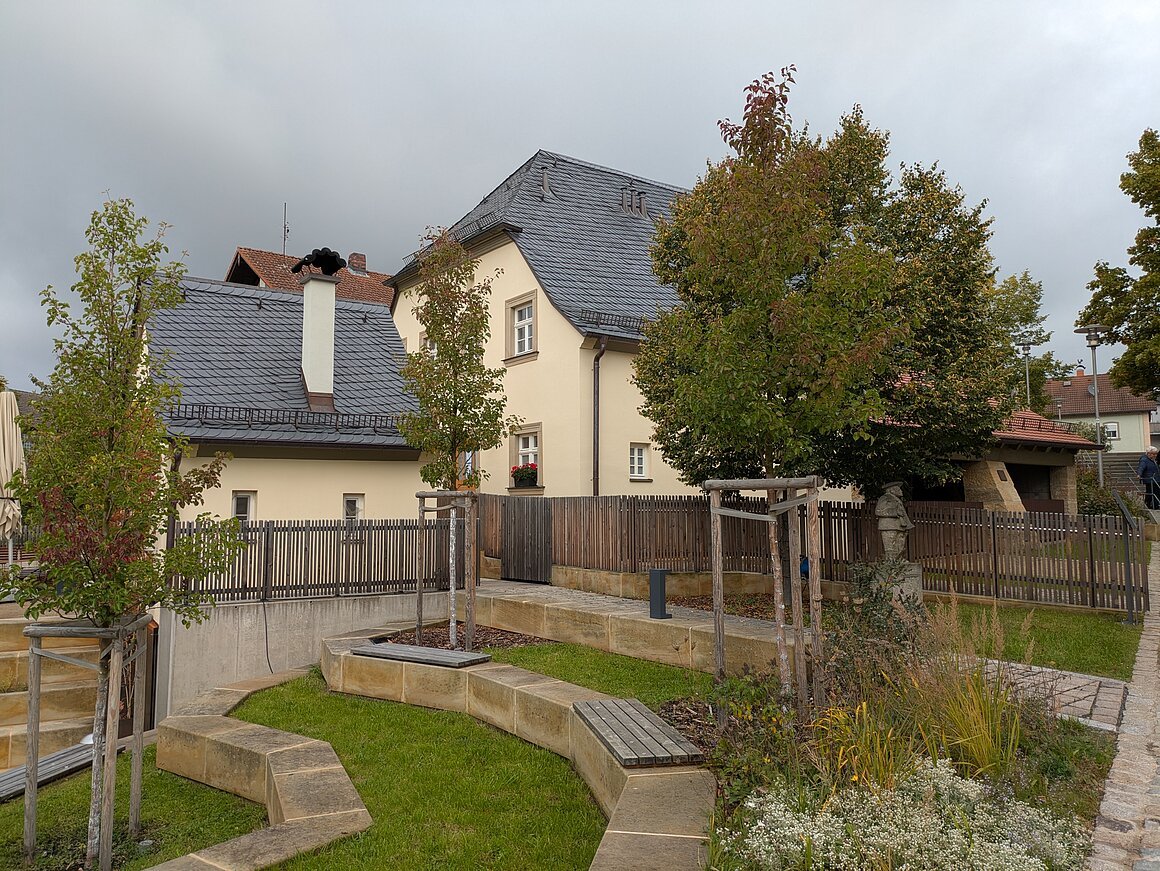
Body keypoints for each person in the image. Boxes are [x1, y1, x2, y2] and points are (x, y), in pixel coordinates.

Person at [875, 482, 914, 561]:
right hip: (888, 526)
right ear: (892, 490)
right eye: (898, 489)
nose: (901, 491)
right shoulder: (885, 498)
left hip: (900, 525)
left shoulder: (897, 500)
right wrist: (895, 512)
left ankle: (898, 559)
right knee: (890, 546)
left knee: (900, 544)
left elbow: (903, 514)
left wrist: (907, 525)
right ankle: (891, 561)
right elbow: (878, 511)